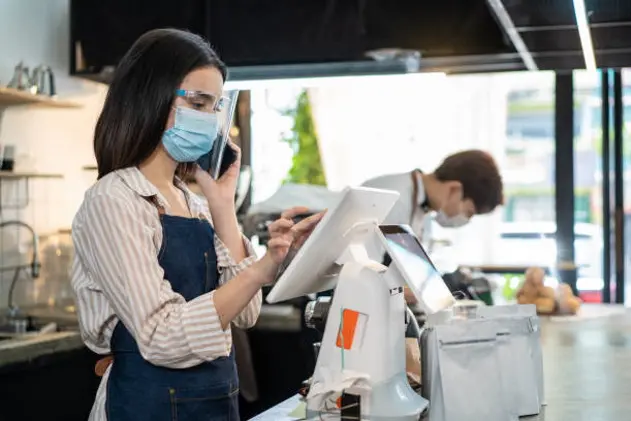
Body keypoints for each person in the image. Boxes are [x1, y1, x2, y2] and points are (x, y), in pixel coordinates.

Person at [71, 28, 322, 421]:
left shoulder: (194, 203)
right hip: (144, 406)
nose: (212, 121)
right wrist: (261, 267)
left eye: (215, 106)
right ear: (150, 97)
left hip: (214, 403)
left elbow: (245, 312)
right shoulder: (113, 200)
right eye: (199, 103)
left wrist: (222, 205)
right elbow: (161, 336)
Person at [362, 149, 503, 303]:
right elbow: (361, 272)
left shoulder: (421, 207)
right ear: (454, 189)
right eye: (468, 212)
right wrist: (403, 292)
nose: (465, 219)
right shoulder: (395, 199)